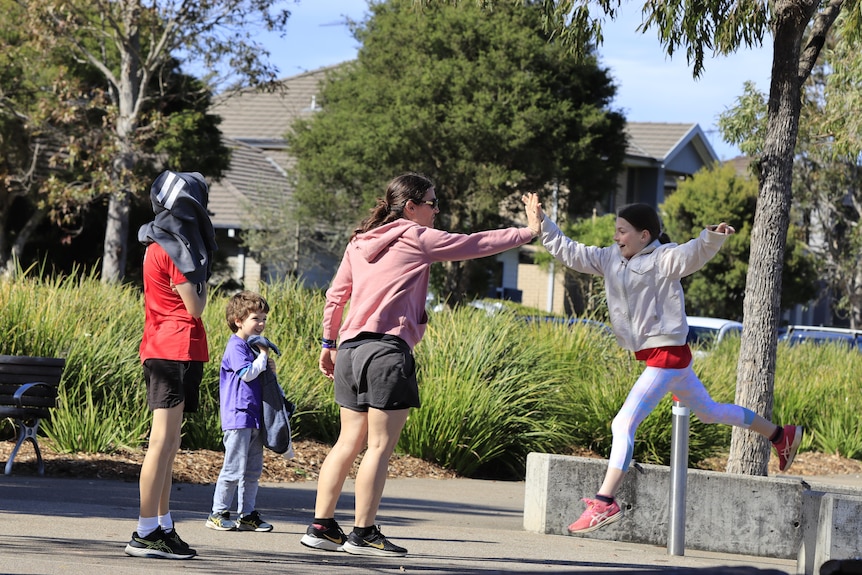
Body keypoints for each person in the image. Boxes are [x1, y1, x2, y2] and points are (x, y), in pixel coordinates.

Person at [527, 195, 803, 535]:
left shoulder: (664, 258)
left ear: (644, 235)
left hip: (666, 356)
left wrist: (711, 237)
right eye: (616, 231)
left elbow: (692, 253)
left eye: (622, 231)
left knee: (623, 423)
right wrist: (543, 223)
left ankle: (605, 500)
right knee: (710, 412)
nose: (616, 237)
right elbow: (572, 251)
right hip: (670, 360)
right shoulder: (610, 258)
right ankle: (780, 434)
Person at [299, 172, 543, 557]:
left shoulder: (358, 242)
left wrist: (328, 344)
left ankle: (321, 526)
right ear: (411, 206)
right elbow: (474, 244)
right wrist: (527, 231)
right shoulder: (415, 237)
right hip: (385, 351)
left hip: (349, 351)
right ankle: (363, 533)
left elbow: (335, 296)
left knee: (348, 441)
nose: (436, 209)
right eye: (431, 202)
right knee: (378, 446)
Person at [125, 170, 218, 559]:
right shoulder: (171, 249)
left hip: (173, 347)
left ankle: (162, 525)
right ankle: (145, 531)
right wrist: (203, 272)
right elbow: (195, 307)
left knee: (171, 444)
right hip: (172, 348)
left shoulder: (159, 244)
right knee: (161, 443)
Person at [205, 290, 280, 533]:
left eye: (264, 319)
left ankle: (247, 514)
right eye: (255, 318)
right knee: (233, 467)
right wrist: (264, 356)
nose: (261, 324)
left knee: (252, 471)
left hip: (255, 417)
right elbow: (246, 373)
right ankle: (218, 512)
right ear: (239, 320)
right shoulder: (236, 346)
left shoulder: (254, 347)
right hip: (238, 417)